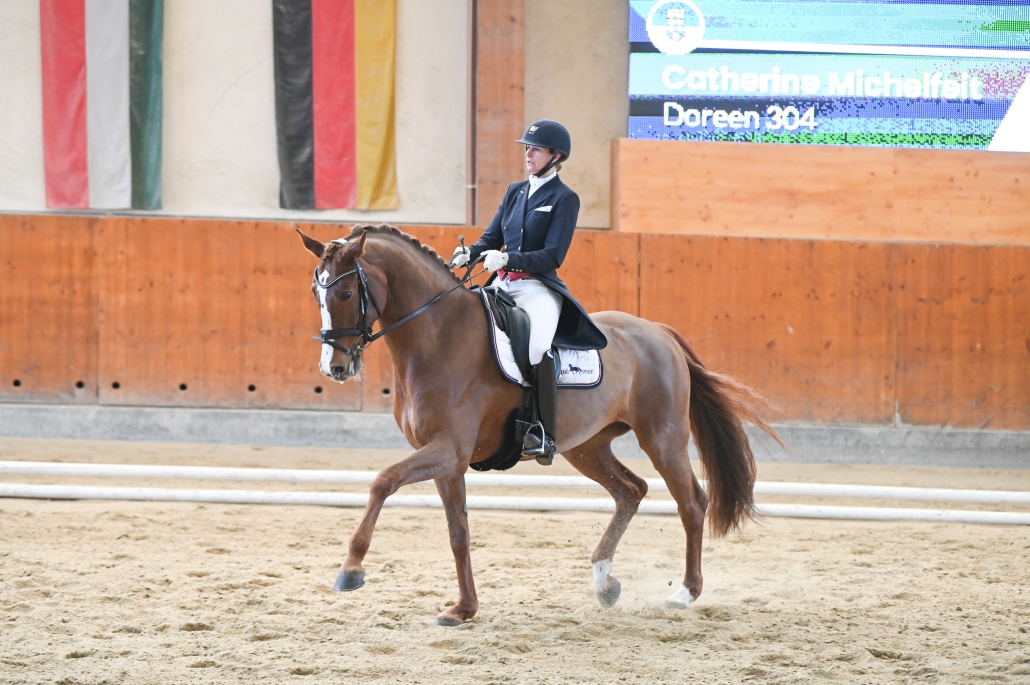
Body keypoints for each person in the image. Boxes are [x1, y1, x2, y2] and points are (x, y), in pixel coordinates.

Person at [450, 120, 607, 464]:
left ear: (556, 156)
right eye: (526, 148)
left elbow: (554, 255)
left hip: (537, 288)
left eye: (535, 149)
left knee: (537, 348)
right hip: (501, 285)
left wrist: (509, 257)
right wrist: (471, 253)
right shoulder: (515, 191)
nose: (528, 154)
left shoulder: (565, 198)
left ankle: (542, 432)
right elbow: (491, 239)